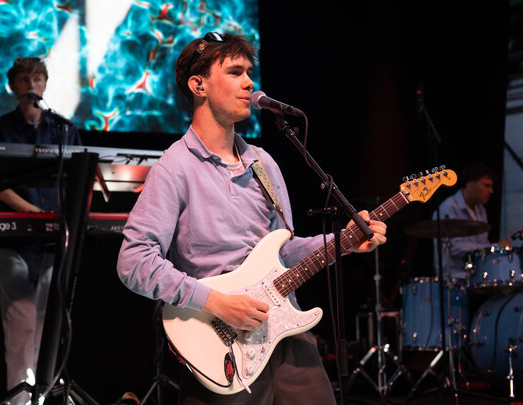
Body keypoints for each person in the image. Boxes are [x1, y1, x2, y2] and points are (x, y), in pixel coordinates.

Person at [116, 32, 387, 404]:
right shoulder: (174, 168)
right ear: (198, 85)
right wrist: (217, 302)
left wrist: (345, 241)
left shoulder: (263, 162)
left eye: (248, 72)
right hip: (218, 342)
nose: (248, 83)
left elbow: (283, 252)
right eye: (234, 72)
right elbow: (134, 262)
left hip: (285, 331)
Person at [0, 56, 81, 404]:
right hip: (15, 240)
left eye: (37, 79)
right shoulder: (0, 128)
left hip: (53, 243)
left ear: (45, 84)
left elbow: (78, 179)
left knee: (47, 326)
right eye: (24, 80)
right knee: (21, 326)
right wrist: (37, 213)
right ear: (13, 86)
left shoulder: (63, 129)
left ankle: (40, 396)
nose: (32, 85)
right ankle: (19, 400)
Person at [433, 162, 511, 280]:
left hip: (476, 275)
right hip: (454, 279)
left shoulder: (480, 209)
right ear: (470, 186)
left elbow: (482, 244)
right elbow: (455, 247)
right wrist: (493, 247)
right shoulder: (449, 208)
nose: (491, 191)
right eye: (486, 185)